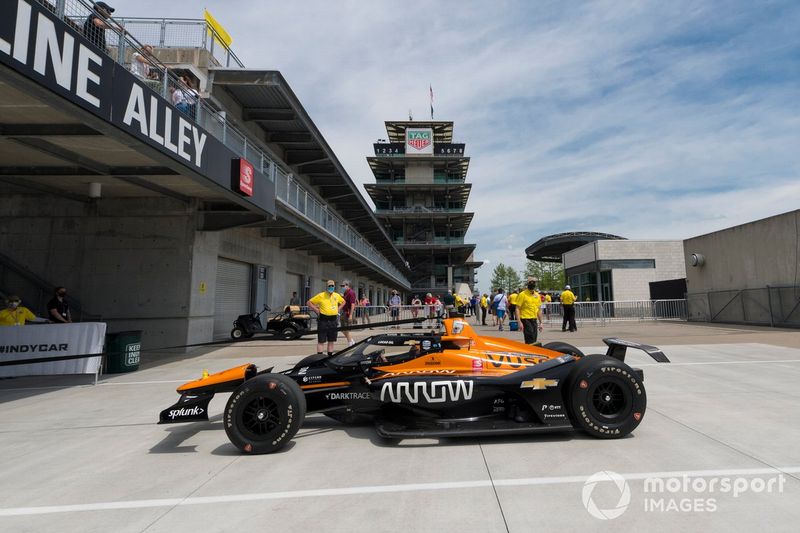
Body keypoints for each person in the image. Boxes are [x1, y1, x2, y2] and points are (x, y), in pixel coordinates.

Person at [307, 280, 345, 355]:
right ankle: (319, 358)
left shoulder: (336, 295)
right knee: (321, 341)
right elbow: (309, 302)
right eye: (329, 286)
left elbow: (344, 302)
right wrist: (316, 309)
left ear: (334, 287)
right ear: (327, 287)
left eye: (332, 286)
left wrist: (338, 309)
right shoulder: (321, 295)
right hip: (323, 320)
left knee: (331, 340)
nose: (331, 287)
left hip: (333, 320)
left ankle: (329, 357)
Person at [516, 278, 544, 344]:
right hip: (525, 319)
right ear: (527, 284)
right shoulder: (522, 294)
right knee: (530, 338)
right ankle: (529, 352)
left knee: (534, 338)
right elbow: (517, 308)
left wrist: (541, 322)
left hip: (534, 319)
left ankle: (532, 352)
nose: (532, 284)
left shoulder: (537, 295)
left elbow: (539, 310)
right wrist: (519, 322)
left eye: (534, 282)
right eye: (531, 282)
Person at [340, 279, 357, 347]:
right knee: (342, 329)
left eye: (343, 285)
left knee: (346, 329)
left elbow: (353, 304)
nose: (342, 287)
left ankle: (350, 343)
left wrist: (351, 315)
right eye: (341, 286)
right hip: (344, 312)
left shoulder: (351, 292)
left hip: (348, 312)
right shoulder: (345, 293)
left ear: (347, 285)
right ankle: (352, 341)